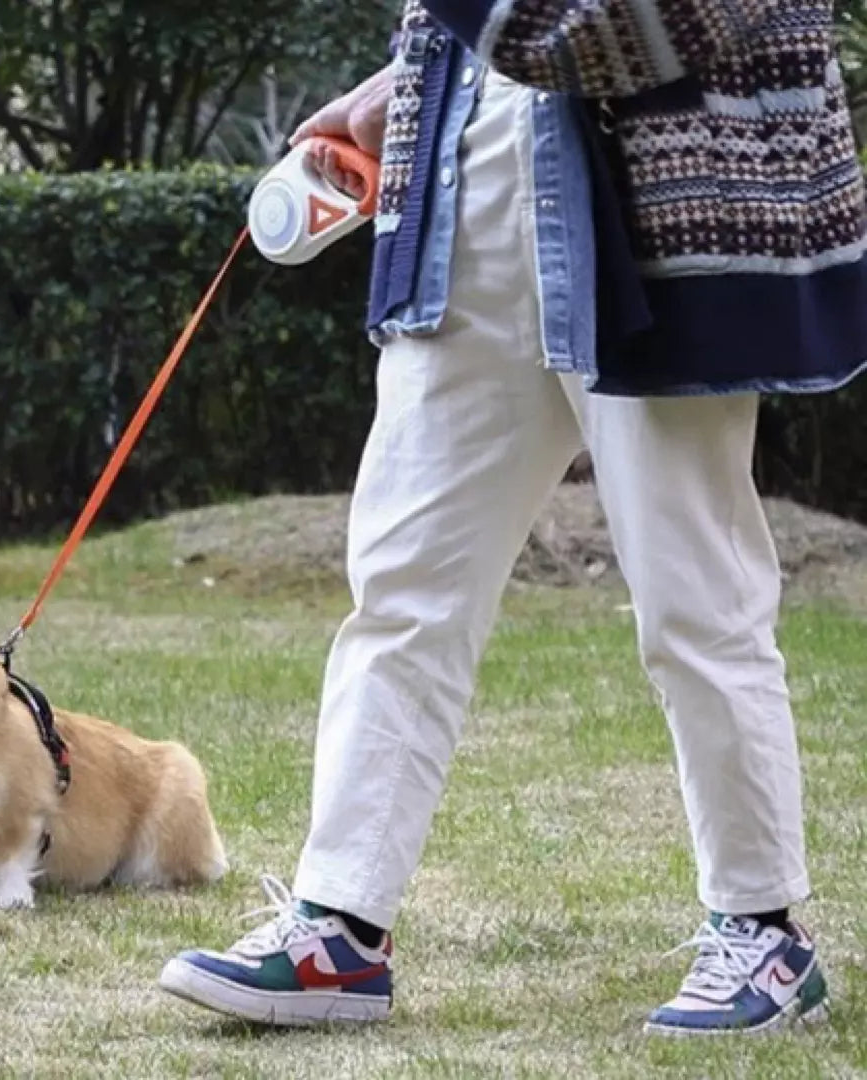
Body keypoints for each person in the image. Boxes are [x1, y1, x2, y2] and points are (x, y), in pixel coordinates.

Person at [159, 0, 867, 1035]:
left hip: (652, 235)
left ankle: (765, 935)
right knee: (402, 594)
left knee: (695, 599)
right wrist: (393, 93)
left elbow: (622, 30)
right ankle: (340, 932)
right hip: (466, 215)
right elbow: (499, 36)